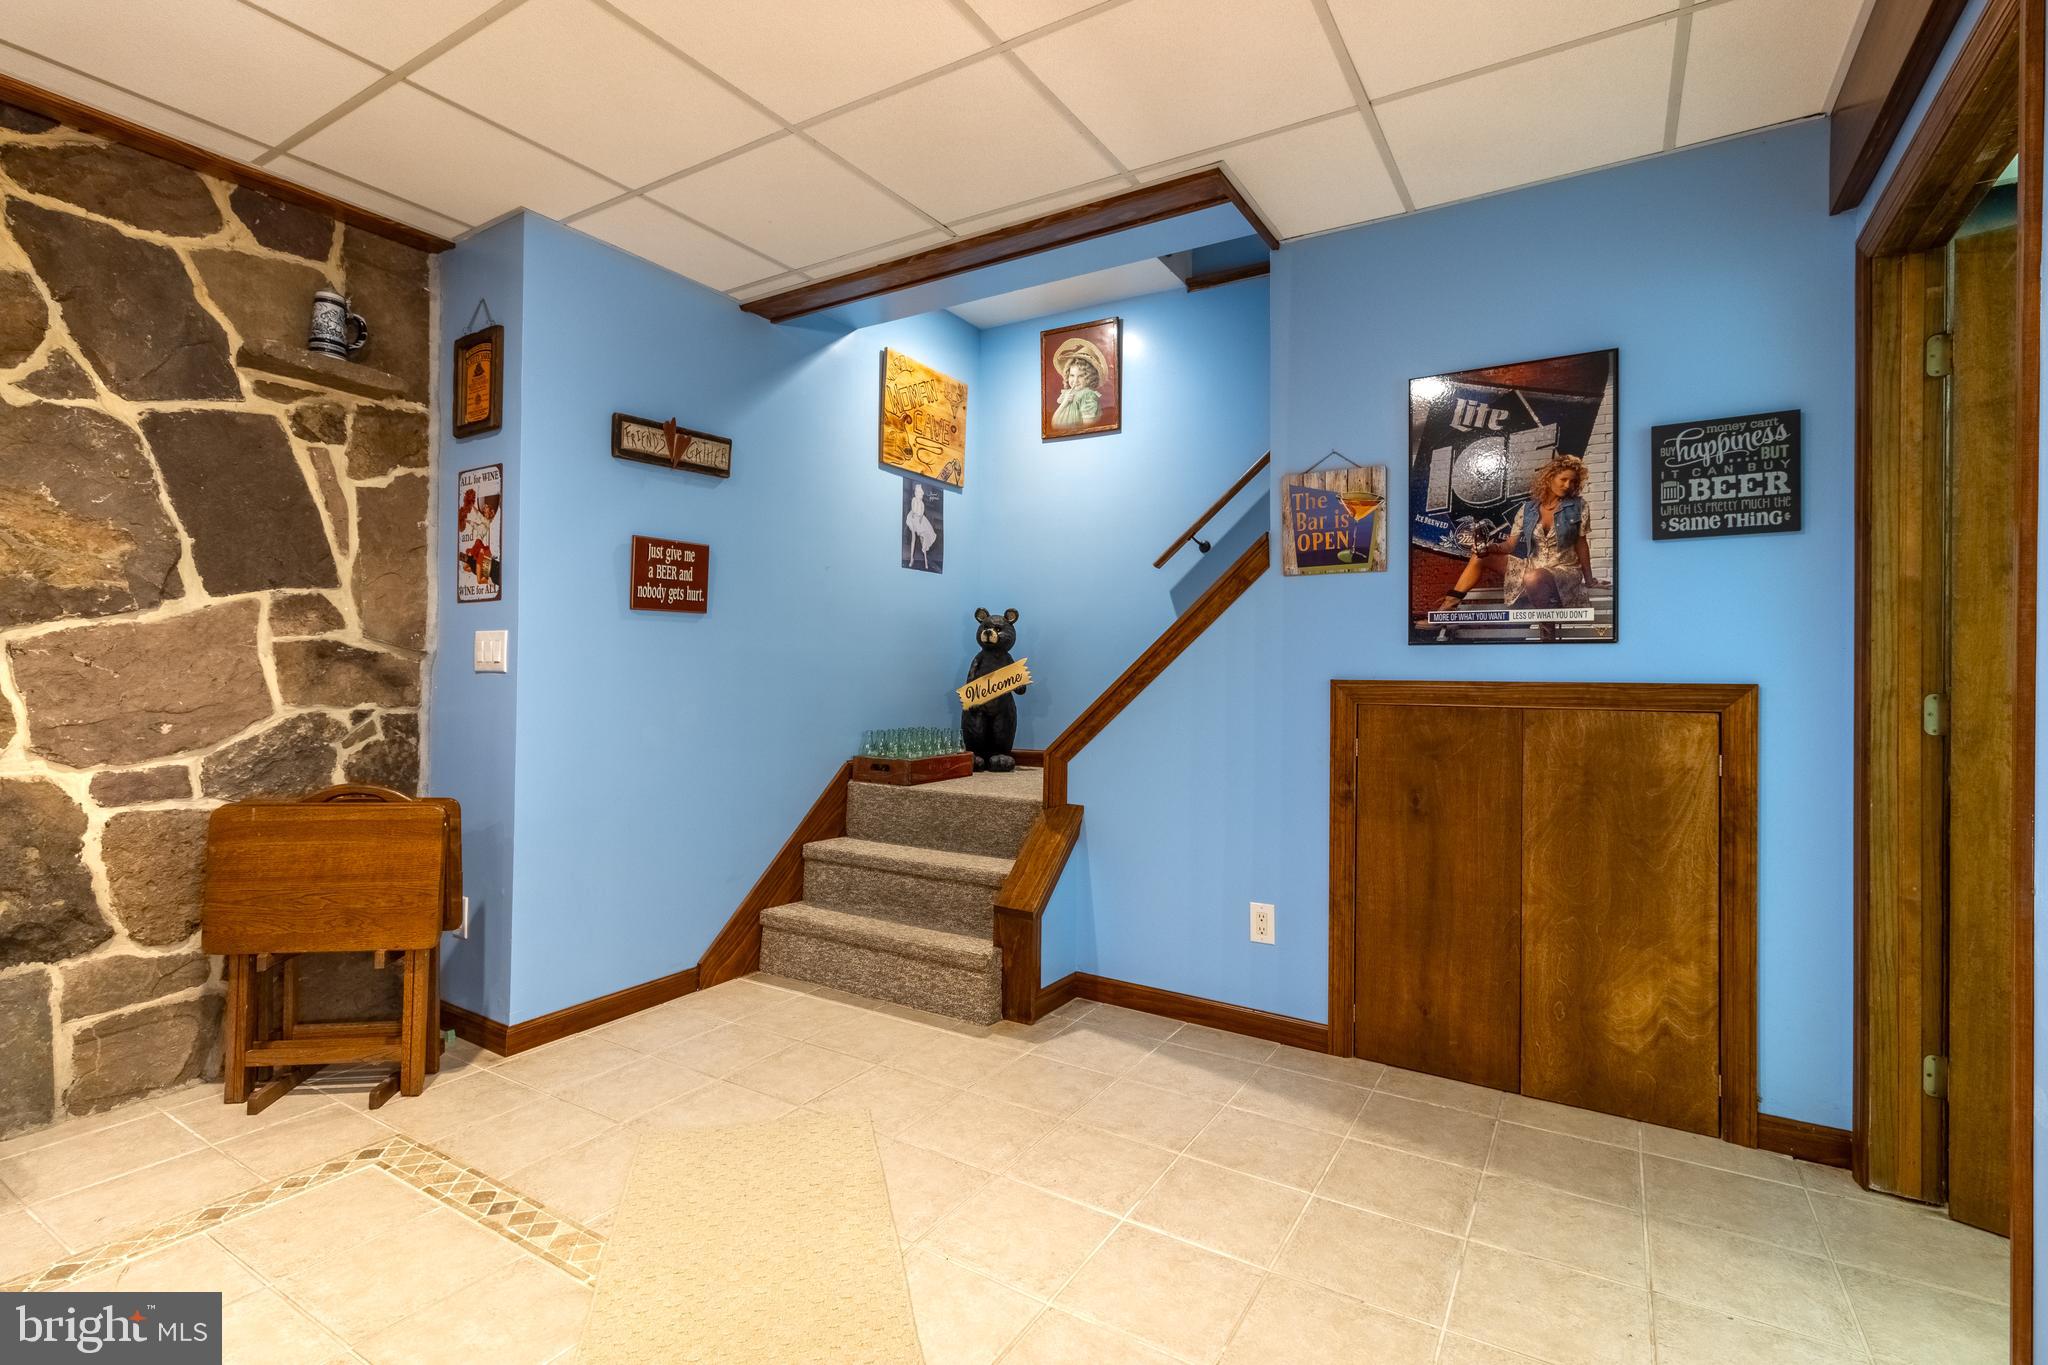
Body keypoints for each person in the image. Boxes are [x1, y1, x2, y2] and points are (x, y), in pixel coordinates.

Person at [1420, 451, 1596, 638]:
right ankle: (1446, 610)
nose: (1568, 485)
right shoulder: (1528, 509)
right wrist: (1489, 548)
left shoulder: (1579, 506)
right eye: (1564, 479)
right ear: (1550, 477)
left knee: (1533, 578)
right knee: (1481, 557)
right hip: (1533, 567)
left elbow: (1581, 545)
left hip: (1564, 570)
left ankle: (1547, 633)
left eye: (1573, 482)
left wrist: (1589, 579)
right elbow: (1509, 546)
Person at [1049, 336, 1107, 430]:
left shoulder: (1087, 395)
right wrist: (1065, 402)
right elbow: (1055, 421)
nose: (1075, 381)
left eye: (1080, 376)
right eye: (1072, 375)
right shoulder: (1067, 393)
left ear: (1090, 378)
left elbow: (1088, 425)